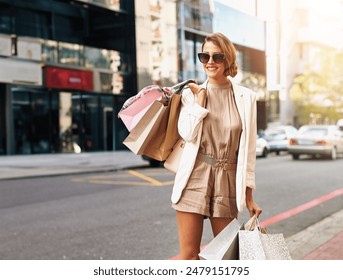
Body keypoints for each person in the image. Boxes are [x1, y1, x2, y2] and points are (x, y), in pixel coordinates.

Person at [171, 32, 262, 260]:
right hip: (195, 175)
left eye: (217, 56)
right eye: (205, 56)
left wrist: (249, 196)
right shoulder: (191, 95)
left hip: (227, 180)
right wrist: (200, 101)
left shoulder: (246, 97)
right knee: (189, 255)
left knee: (226, 257)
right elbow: (187, 133)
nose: (210, 62)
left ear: (228, 59)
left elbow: (248, 153)